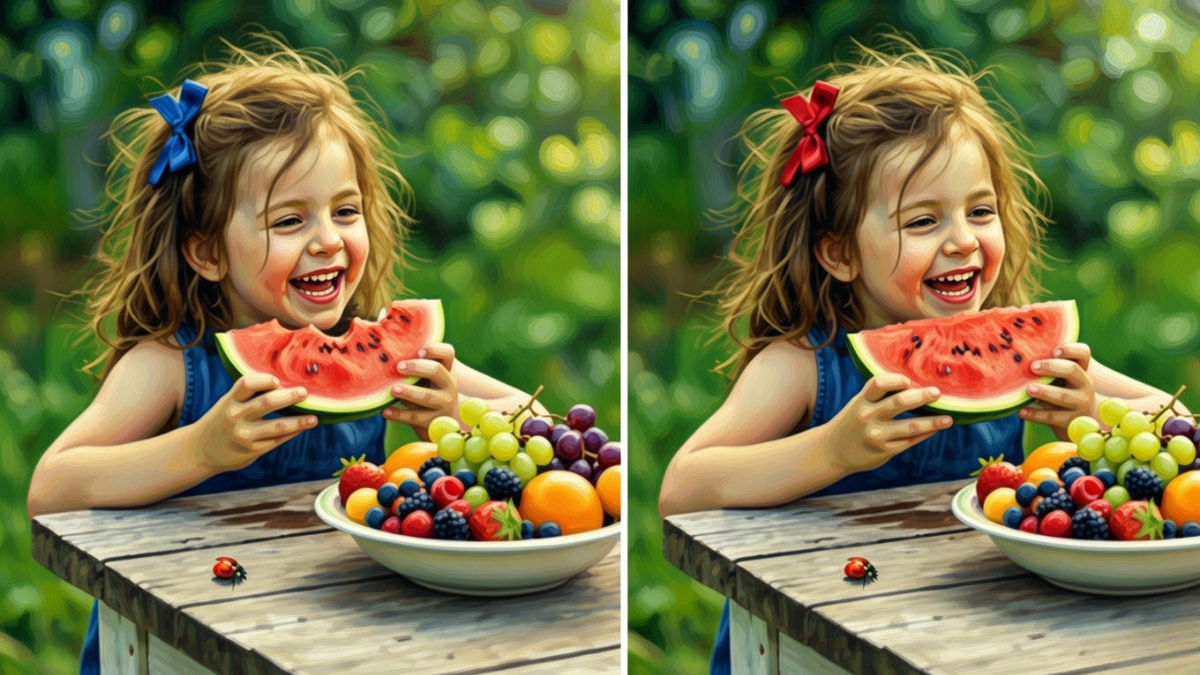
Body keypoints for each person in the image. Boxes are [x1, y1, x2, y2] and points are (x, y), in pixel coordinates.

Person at [655, 41, 1184, 674]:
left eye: (980, 211)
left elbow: (1180, 430)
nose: (962, 240)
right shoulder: (804, 363)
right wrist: (830, 450)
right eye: (923, 221)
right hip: (808, 639)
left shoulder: (1025, 353)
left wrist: (1093, 412)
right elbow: (682, 490)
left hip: (971, 633)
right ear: (840, 253)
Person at [26, 37, 539, 675]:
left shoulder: (384, 355)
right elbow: (52, 489)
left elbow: (553, 431)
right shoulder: (171, 364)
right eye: (288, 221)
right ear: (207, 252)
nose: (327, 240)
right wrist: (198, 450)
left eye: (345, 211)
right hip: (175, 642)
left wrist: (458, 408)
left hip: (325, 638)